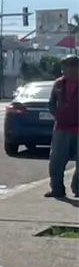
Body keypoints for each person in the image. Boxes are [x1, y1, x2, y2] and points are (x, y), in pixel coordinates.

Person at [48, 55, 79, 199]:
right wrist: (58, 116)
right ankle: (57, 188)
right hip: (61, 128)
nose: (68, 70)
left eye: (72, 67)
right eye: (65, 67)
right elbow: (51, 103)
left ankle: (77, 188)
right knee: (56, 160)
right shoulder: (58, 84)